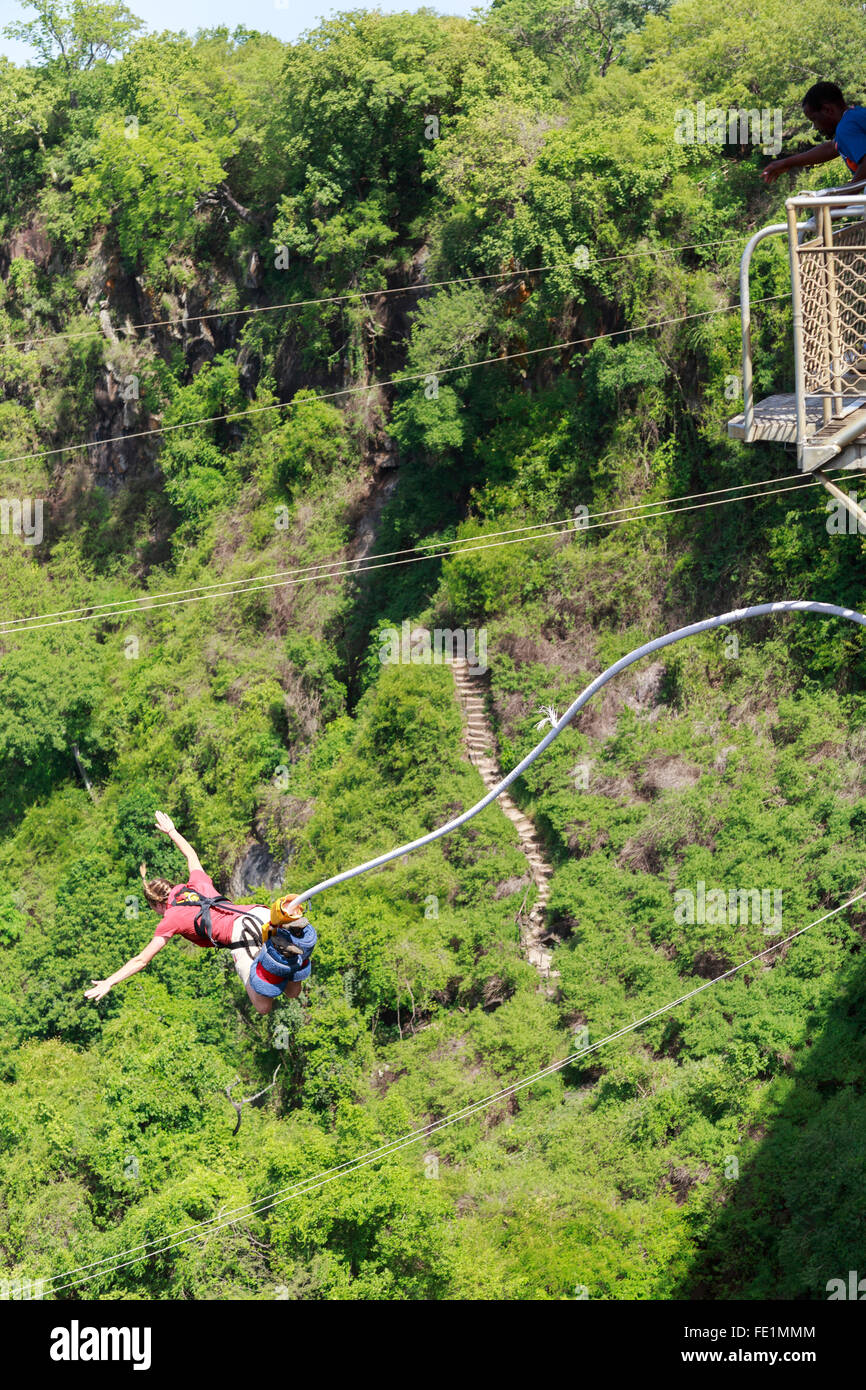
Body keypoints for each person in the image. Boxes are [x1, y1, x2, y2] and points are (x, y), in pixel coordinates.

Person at [83, 812, 316, 1016]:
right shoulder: (195, 883)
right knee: (292, 991)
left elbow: (142, 960)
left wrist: (109, 982)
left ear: (157, 905)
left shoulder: (170, 918)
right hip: (260, 913)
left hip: (241, 932)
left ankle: (279, 949)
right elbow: (190, 855)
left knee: (262, 1005)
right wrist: (172, 831)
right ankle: (289, 944)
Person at [761, 83, 866, 192]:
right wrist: (787, 163)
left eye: (814, 119)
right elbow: (831, 148)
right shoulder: (854, 115)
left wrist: (842, 202)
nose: (815, 127)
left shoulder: (846, 127)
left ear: (828, 110)